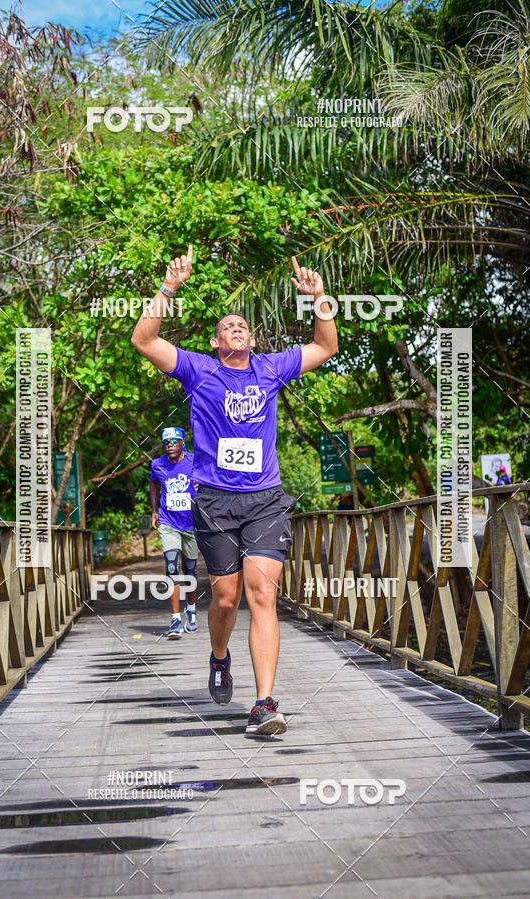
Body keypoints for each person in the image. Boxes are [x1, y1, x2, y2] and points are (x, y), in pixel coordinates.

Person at [131, 246, 338, 734]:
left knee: (261, 592)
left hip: (266, 497)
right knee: (225, 599)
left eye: (242, 325)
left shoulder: (271, 368)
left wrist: (320, 298)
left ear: (251, 338)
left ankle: (265, 703)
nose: (236, 328)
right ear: (215, 339)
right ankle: (219, 656)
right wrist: (169, 287)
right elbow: (144, 340)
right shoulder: (199, 370)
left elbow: (325, 348)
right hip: (215, 501)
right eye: (227, 326)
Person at [150, 426, 199, 638]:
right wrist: (153, 511)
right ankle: (175, 619)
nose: (170, 445)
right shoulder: (157, 464)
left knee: (190, 571)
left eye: (174, 441)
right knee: (171, 568)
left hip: (191, 523)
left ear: (182, 443)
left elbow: (210, 479)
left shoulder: (194, 461)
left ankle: (191, 608)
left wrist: (201, 486)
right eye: (166, 442)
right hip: (168, 522)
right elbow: (153, 484)